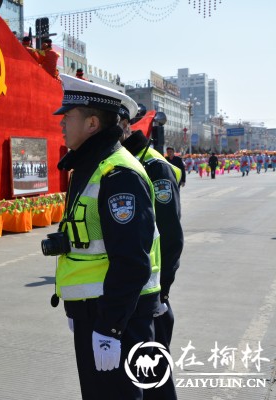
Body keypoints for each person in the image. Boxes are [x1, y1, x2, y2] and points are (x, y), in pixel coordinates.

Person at [50, 74, 160, 399]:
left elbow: (131, 260)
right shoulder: (90, 167)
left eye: (68, 117)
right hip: (94, 312)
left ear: (92, 123)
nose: (61, 124)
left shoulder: (117, 173)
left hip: (117, 318)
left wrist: (109, 328)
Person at [119, 108, 183, 400]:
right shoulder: (124, 162)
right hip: (136, 294)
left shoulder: (154, 166)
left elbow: (170, 237)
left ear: (125, 127)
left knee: (155, 382)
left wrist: (162, 292)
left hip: (153, 296)